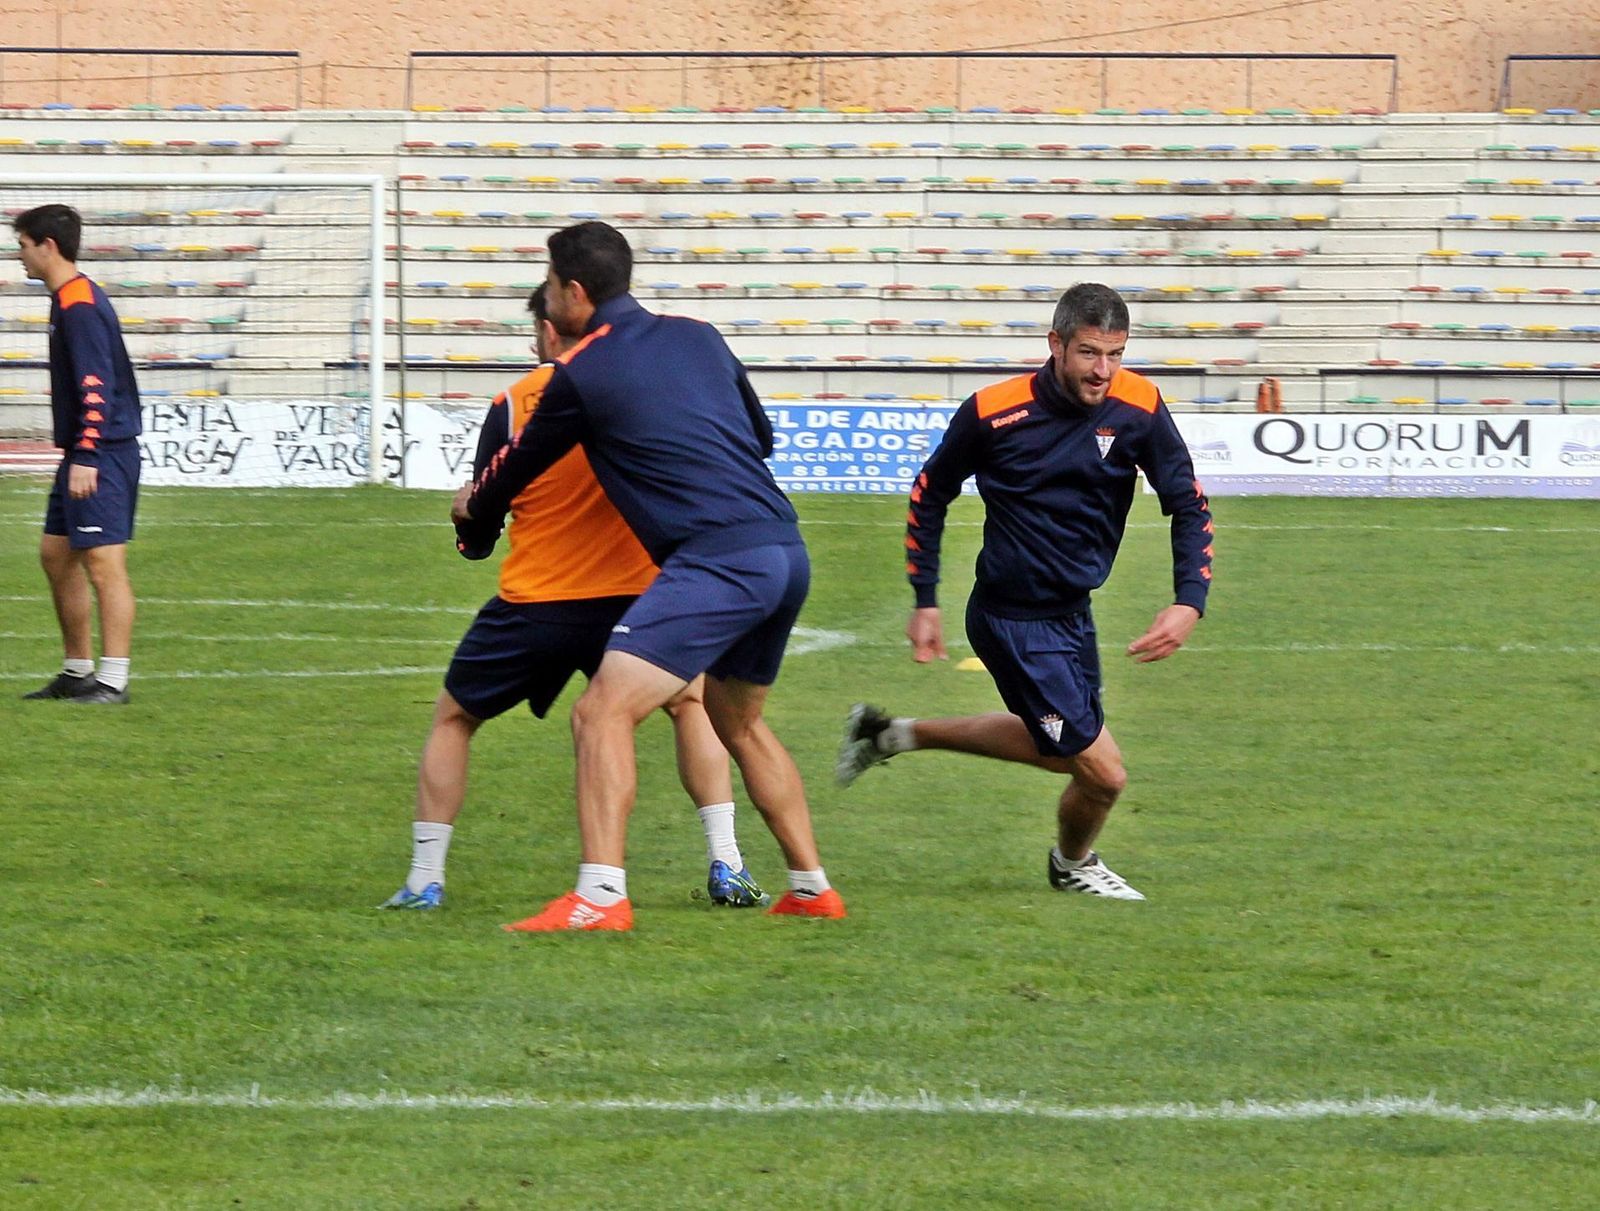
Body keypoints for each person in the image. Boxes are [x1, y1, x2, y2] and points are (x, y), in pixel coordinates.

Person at [454, 220, 846, 931]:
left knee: (599, 712)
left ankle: (601, 896)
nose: (545, 297)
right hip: (783, 549)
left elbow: (515, 470)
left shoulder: (582, 371)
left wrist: (470, 518)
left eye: (548, 283)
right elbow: (761, 437)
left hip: (717, 561)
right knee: (739, 722)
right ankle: (812, 884)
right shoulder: (697, 333)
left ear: (574, 294)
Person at [382, 285, 770, 912]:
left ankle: (425, 879)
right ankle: (726, 860)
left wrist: (467, 526)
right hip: (637, 597)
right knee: (690, 705)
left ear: (550, 329)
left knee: (454, 718)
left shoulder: (513, 404)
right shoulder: (639, 390)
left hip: (538, 600)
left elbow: (480, 530)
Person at [836, 283, 1213, 901]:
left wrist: (1188, 597)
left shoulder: (1139, 404)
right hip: (1011, 621)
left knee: (1063, 752)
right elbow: (930, 492)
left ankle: (889, 734)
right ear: (1056, 344)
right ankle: (1073, 865)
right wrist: (925, 596)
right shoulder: (994, 410)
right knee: (1104, 772)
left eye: (1116, 355)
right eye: (1090, 353)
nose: (1104, 371)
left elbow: (1188, 502)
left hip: (1072, 614)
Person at [14, 204, 141, 705]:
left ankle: (112, 681)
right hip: (85, 452)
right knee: (55, 555)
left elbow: (96, 385)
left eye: (22, 246)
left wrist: (86, 453)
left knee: (104, 563)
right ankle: (76, 671)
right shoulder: (65, 298)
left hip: (101, 452)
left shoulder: (79, 304)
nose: (18, 256)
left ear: (48, 246)